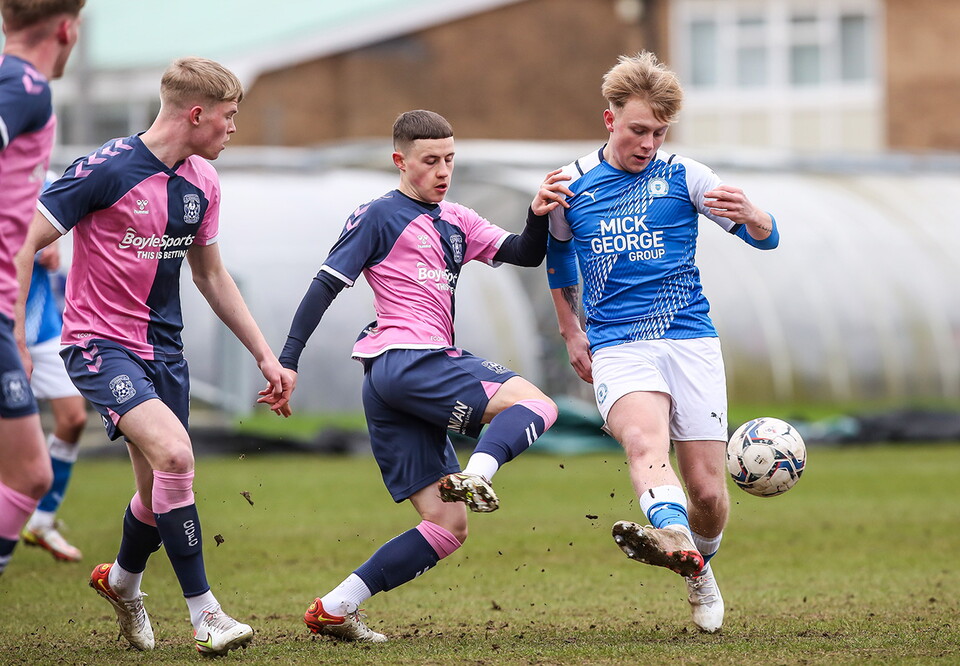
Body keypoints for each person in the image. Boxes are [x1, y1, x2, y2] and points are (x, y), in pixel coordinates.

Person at [14, 56, 293, 656]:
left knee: (155, 493)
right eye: (230, 117)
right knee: (175, 454)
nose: (234, 128)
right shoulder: (104, 169)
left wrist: (265, 356)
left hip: (165, 355)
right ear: (197, 115)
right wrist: (12, 333)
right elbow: (21, 241)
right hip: (99, 347)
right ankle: (207, 614)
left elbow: (212, 277)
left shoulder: (203, 183)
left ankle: (121, 583)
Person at [263, 109, 567, 643]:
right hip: (410, 359)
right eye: (431, 160)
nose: (443, 170)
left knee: (447, 527)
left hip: (391, 383)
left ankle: (336, 606)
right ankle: (481, 473)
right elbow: (325, 285)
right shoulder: (378, 215)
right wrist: (287, 359)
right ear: (400, 161)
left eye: (450, 159)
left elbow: (525, 251)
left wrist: (537, 213)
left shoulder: (458, 218)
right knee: (539, 405)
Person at [544, 52, 779, 634]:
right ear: (609, 119)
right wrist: (571, 330)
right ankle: (670, 535)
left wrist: (754, 214)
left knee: (706, 488)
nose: (647, 143)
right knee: (643, 441)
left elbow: (767, 240)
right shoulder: (570, 183)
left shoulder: (685, 176)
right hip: (618, 344)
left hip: (690, 340)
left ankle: (697, 563)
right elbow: (557, 259)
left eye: (658, 132)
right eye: (637, 129)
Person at [0, 0, 83, 577]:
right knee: (30, 474)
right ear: (66, 28)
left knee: (33, 472)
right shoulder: (25, 84)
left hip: (16, 319)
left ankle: (42, 520)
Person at [20, 231, 88, 563]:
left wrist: (52, 247)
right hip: (7, 325)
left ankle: (42, 521)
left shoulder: (43, 179)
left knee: (73, 418)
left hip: (43, 326)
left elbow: (51, 228)